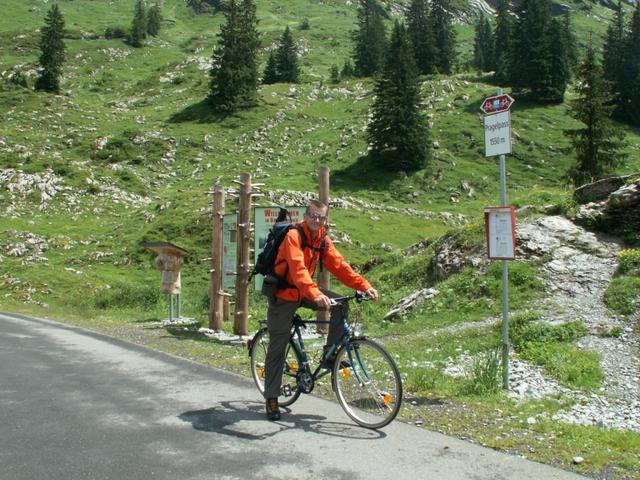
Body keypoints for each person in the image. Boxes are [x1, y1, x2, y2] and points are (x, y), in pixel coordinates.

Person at [263, 199, 378, 420]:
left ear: (325, 220)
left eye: (321, 217)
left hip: (305, 291)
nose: (317, 220)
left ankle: (329, 355)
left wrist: (365, 285)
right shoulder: (293, 236)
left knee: (341, 304)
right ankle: (271, 398)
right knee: (278, 344)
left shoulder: (322, 239)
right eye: (313, 216)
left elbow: (340, 267)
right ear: (305, 216)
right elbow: (298, 271)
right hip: (284, 295)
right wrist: (316, 294)